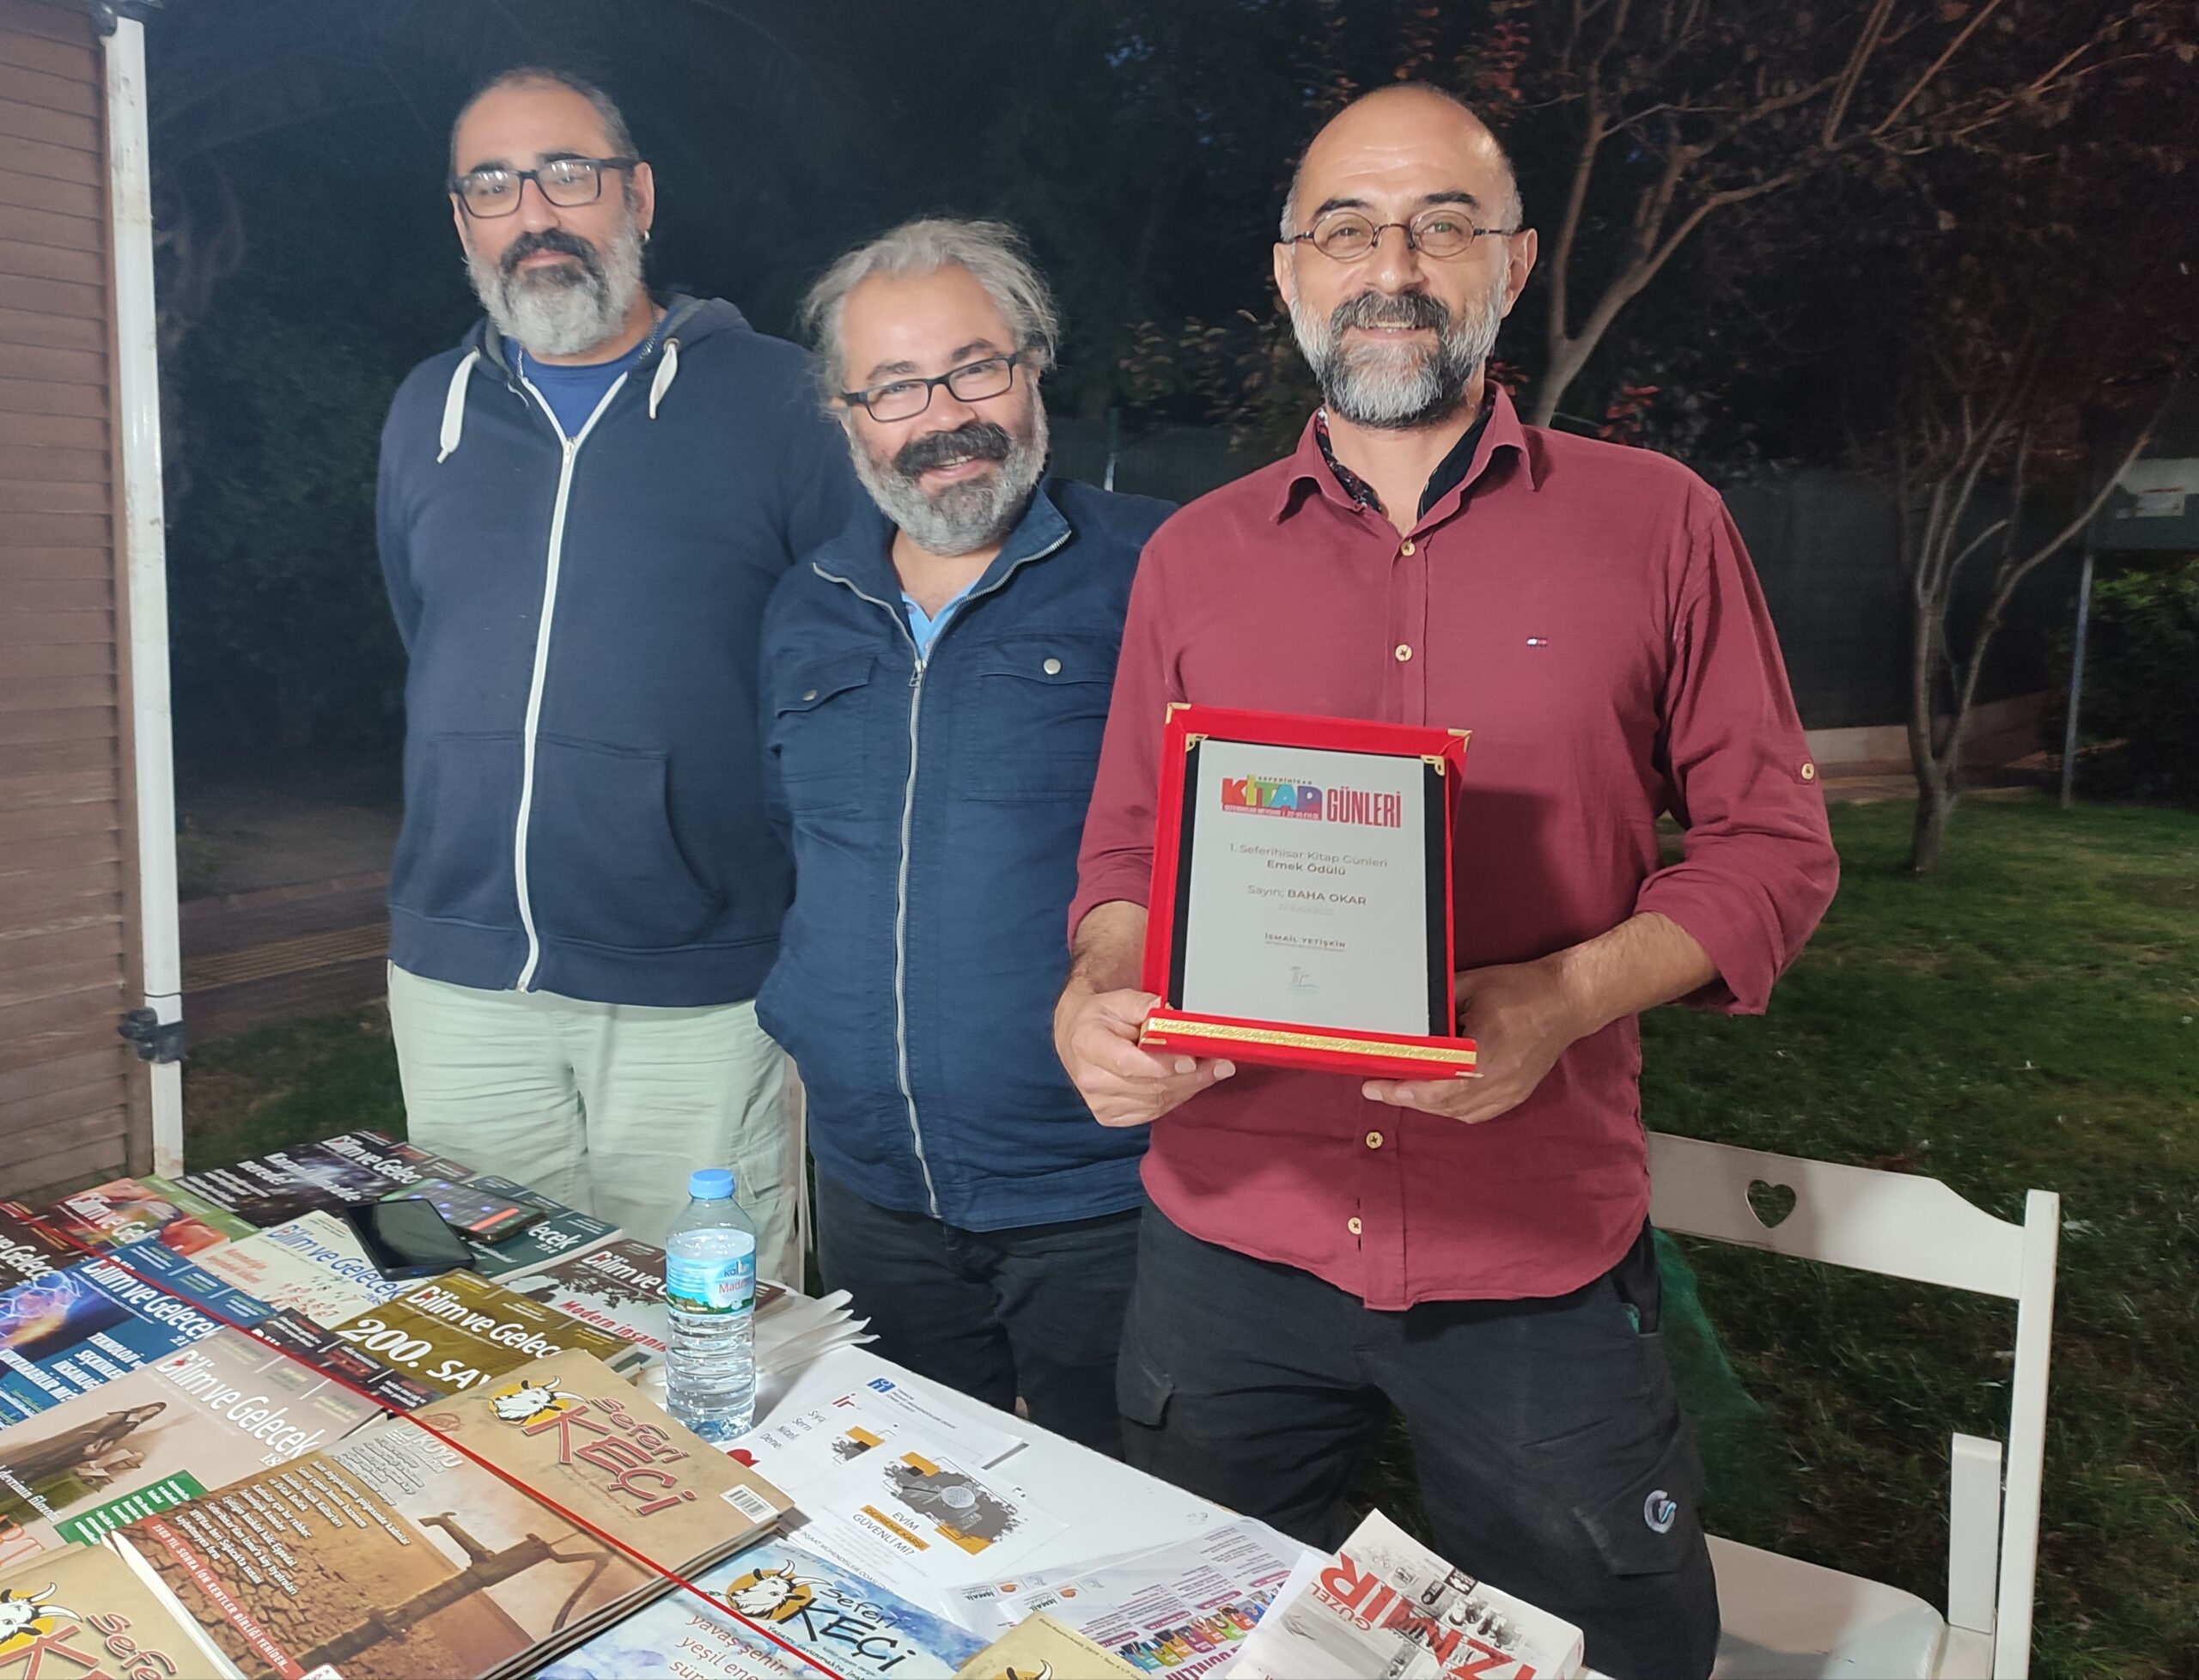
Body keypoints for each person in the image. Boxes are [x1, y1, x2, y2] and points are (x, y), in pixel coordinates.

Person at [1055, 85, 1839, 1673]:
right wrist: (1101, 989)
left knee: (1616, 1655)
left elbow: (1775, 849)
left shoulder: (1660, 525)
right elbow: (1129, 852)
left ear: (1517, 263)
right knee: (1202, 1650)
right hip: (1230, 1242)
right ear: (1290, 271)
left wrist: (1564, 996)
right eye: (1347, 230)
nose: (1393, 267)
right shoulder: (1194, 557)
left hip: (1529, 1254)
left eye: (1443, 225)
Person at [375, 67, 853, 1276]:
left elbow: (842, 678)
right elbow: (426, 631)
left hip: (699, 983)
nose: (535, 212)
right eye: (495, 184)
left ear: (636, 195)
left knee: (710, 1336)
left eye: (567, 173)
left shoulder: (781, 401)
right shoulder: (427, 410)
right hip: (459, 983)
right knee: (490, 1324)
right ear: (461, 221)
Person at [757, 219, 1173, 1453]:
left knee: (1139, 1517)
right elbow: (793, 843)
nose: (941, 417)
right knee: (918, 1510)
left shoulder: (1161, 571)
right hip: (871, 1192)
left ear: (1033, 367)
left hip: (1107, 1192)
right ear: (847, 418)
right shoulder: (806, 607)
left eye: (974, 368)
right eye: (893, 386)